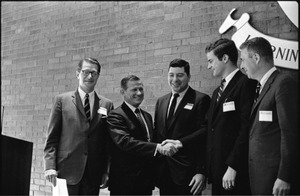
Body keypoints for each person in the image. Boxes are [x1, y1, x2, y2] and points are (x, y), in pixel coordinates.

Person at [43, 57, 114, 195]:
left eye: (94, 73)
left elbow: (107, 143)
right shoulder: (62, 101)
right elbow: (52, 138)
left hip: (94, 173)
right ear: (77, 73)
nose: (89, 76)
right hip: (64, 171)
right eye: (85, 72)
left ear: (98, 76)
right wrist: (49, 166)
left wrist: (107, 170)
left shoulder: (107, 104)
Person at [240, 37, 299, 195]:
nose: (241, 66)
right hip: (261, 177)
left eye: (243, 60)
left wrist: (284, 176)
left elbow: (291, 134)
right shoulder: (262, 87)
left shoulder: (283, 83)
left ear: (256, 58)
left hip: (276, 180)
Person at [106, 75, 177, 195]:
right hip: (124, 184)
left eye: (141, 89)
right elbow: (125, 142)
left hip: (145, 182)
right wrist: (158, 147)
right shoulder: (115, 116)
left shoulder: (147, 116)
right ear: (122, 92)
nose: (139, 93)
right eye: (134, 90)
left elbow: (151, 140)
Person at [204, 38, 257, 195]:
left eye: (211, 61)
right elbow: (209, 129)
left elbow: (246, 128)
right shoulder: (216, 93)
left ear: (225, 58)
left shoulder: (246, 84)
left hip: (234, 172)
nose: (208, 66)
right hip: (217, 170)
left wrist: (233, 166)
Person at [154, 58, 211, 195]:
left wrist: (201, 171)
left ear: (189, 76)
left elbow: (205, 135)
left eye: (180, 75)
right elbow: (158, 134)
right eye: (171, 75)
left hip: (189, 176)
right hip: (164, 173)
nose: (175, 79)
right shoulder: (161, 101)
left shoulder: (201, 99)